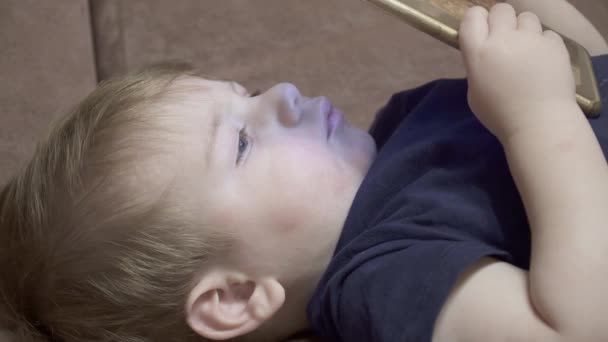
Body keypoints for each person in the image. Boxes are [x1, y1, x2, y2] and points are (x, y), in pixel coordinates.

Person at [0, 1, 607, 342]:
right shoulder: (386, 280)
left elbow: (592, 74)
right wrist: (537, 113)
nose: (284, 94)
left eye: (250, 90)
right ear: (235, 296)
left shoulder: (397, 131)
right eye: (241, 142)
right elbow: (576, 328)